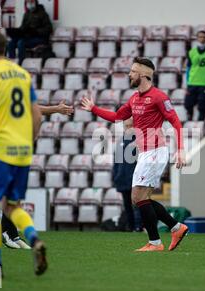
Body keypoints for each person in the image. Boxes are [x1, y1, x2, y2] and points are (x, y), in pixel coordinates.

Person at [80, 57, 188, 252]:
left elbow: (176, 123)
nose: (129, 74)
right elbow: (116, 117)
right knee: (139, 198)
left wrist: (180, 150)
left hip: (155, 151)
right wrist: (93, 109)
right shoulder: (134, 98)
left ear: (144, 74)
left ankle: (156, 242)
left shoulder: (159, 97)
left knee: (138, 197)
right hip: (145, 152)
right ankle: (176, 228)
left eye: (132, 71)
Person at [0, 28, 47, 280]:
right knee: (13, 206)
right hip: (22, 150)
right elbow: (36, 115)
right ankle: (34, 239)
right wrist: (31, 141)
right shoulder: (22, 74)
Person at [0, 95, 73, 249]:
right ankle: (14, 235)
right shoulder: (13, 86)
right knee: (9, 198)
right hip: (12, 148)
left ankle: (8, 238)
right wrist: (55, 110)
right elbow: (35, 112)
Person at [112, 117, 142, 232]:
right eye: (126, 126)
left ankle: (139, 227)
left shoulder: (139, 140)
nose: (128, 129)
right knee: (127, 206)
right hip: (122, 179)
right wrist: (115, 176)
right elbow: (116, 162)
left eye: (130, 126)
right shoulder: (121, 141)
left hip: (135, 179)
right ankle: (130, 227)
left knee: (137, 204)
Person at [6, 0, 52, 64]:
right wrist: (16, 32)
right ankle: (11, 63)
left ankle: (21, 63)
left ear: (35, 2)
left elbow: (49, 29)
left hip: (39, 38)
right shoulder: (26, 14)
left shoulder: (43, 14)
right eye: (28, 2)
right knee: (11, 43)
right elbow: (22, 27)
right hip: (27, 37)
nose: (30, 4)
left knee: (21, 42)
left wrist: (36, 31)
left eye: (31, 2)